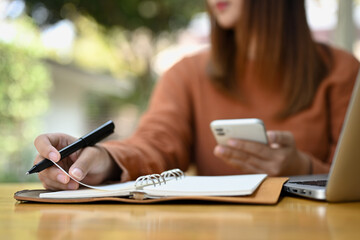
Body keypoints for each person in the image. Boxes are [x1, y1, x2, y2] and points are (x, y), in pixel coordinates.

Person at [34, 0, 359, 190]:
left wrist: (302, 168)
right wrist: (103, 160)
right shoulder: (186, 74)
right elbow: (155, 142)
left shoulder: (343, 71)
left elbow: (352, 177)